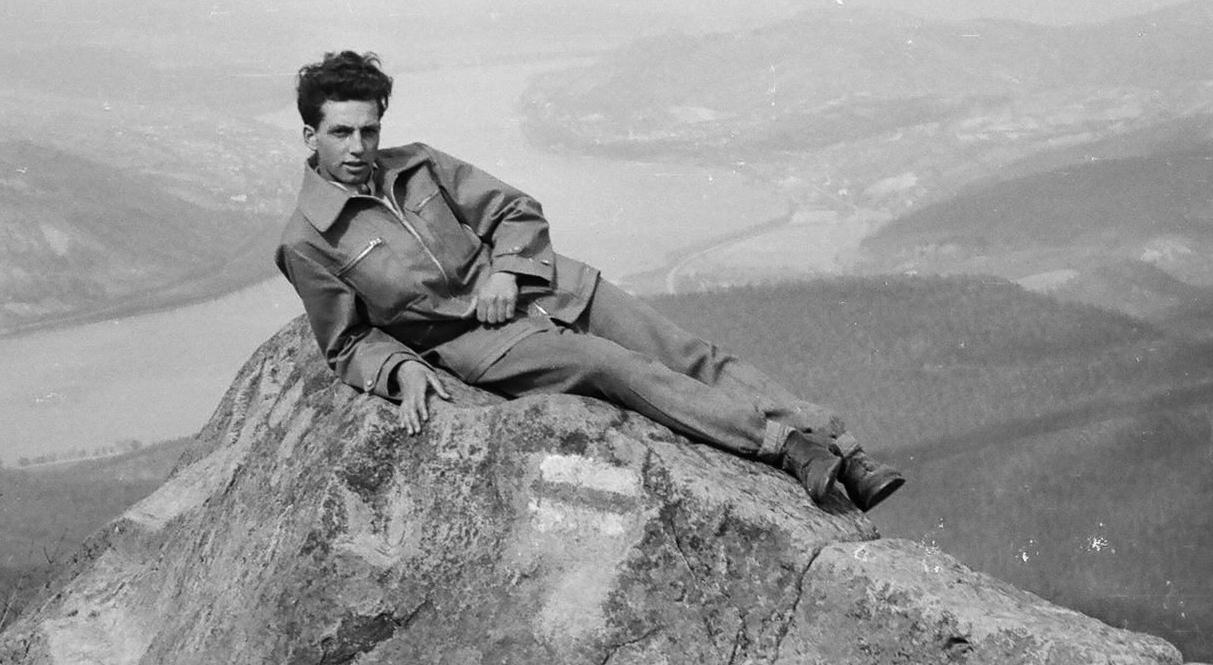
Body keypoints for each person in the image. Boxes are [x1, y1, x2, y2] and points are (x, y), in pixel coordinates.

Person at [274, 51, 904, 513]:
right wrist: (400, 371)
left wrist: (504, 269)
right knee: (614, 368)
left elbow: (513, 210)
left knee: (689, 354)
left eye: (369, 129)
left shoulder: (419, 164)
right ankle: (786, 447)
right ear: (311, 135)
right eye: (341, 132)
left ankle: (845, 449)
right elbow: (347, 342)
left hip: (544, 286)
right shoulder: (308, 239)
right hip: (478, 341)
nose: (359, 146)